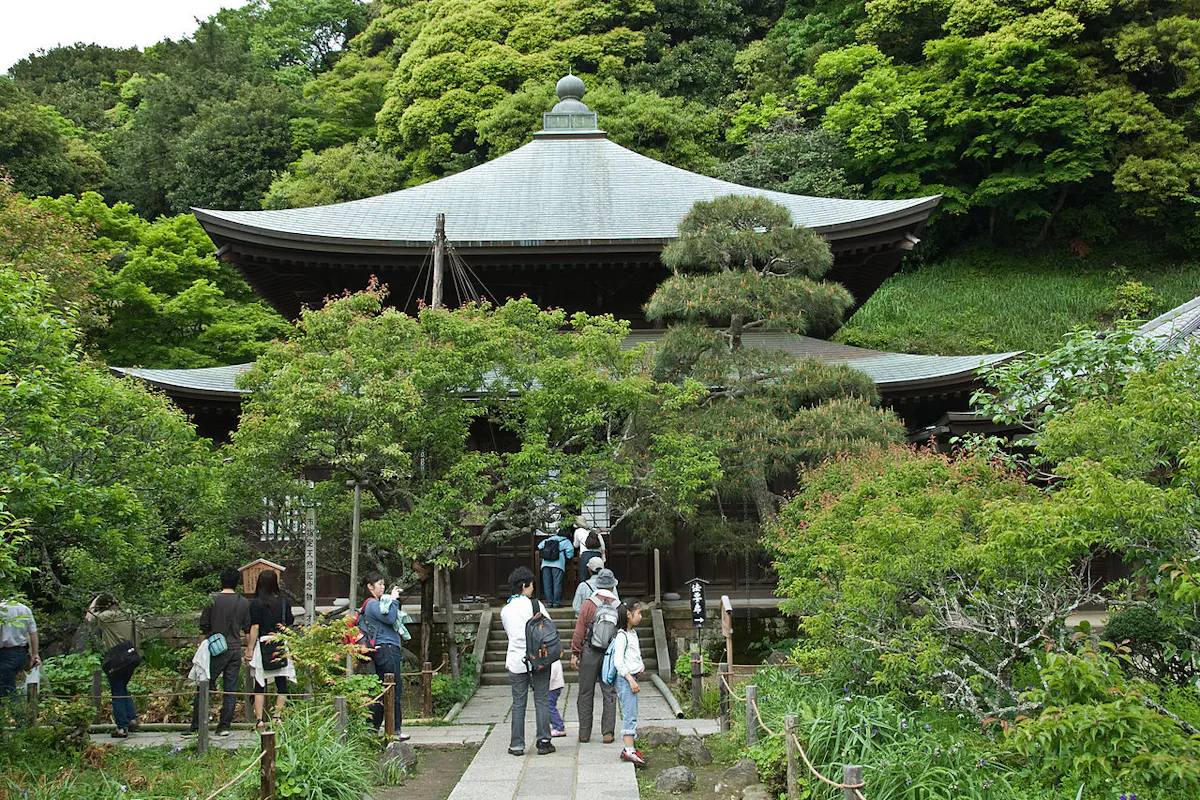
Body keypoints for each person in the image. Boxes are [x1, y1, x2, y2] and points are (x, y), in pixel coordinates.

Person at [185, 567, 251, 738]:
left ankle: (196, 725)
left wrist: (200, 645)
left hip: (215, 649)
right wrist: (249, 649)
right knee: (230, 688)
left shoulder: (212, 600)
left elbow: (204, 626)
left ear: (221, 581)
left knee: (204, 684)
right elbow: (248, 629)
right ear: (237, 583)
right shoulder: (244, 602)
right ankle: (224, 726)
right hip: (235, 648)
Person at [501, 566, 554, 756]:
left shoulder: (505, 610)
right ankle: (544, 741)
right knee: (541, 699)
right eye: (531, 585)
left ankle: (517, 744)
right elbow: (549, 628)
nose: (533, 589)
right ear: (524, 585)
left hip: (516, 659)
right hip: (538, 658)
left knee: (518, 703)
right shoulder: (536, 606)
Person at [570, 569, 619, 744]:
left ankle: (584, 733)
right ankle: (608, 733)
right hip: (609, 655)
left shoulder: (588, 604)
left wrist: (575, 652)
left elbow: (579, 630)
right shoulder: (618, 606)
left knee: (585, 692)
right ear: (612, 586)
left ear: (597, 585)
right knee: (609, 692)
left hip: (590, 652)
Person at [361, 572, 411, 741]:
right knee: (393, 689)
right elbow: (390, 618)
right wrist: (394, 600)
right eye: (379, 584)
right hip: (386, 649)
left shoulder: (378, 603)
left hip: (386, 649)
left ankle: (373, 728)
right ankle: (394, 729)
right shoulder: (372, 604)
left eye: (383, 584)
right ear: (370, 586)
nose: (383, 587)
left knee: (385, 690)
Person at [244, 569, 294, 729]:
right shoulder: (284, 601)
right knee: (282, 682)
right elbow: (290, 621)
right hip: (280, 643)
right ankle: (277, 717)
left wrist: (249, 649)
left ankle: (259, 720)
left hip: (263, 643)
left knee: (260, 683)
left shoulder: (256, 603)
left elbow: (255, 627)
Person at [86, 595, 142, 738]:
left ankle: (122, 726)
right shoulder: (129, 614)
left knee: (117, 691)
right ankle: (131, 718)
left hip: (117, 658)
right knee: (122, 688)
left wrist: (95, 599)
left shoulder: (106, 617)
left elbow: (89, 618)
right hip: (131, 655)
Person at [612, 600, 647, 767]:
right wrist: (630, 679)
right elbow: (618, 662)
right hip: (626, 680)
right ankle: (628, 748)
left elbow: (633, 655)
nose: (641, 616)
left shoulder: (632, 633)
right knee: (629, 713)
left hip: (632, 676)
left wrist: (639, 667)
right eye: (638, 613)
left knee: (632, 711)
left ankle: (630, 746)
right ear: (628, 614)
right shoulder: (622, 636)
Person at [0, 599, 38, 722]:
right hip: (21, 653)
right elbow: (33, 633)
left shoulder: (1, 610)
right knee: (8, 687)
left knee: (8, 690)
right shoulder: (24, 608)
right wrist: (35, 654)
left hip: (5, 654)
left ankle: (21, 721)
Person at [537, 526, 575, 608]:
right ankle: (556, 603)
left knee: (547, 584)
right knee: (557, 583)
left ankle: (549, 602)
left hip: (545, 563)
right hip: (558, 564)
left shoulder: (549, 539)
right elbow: (570, 553)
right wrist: (567, 556)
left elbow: (540, 546)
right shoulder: (566, 541)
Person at [548, 658, 566, 738]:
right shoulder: (555, 659)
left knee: (550, 707)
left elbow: (551, 675)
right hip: (555, 686)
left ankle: (559, 727)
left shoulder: (553, 660)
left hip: (553, 687)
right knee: (549, 706)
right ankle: (555, 724)